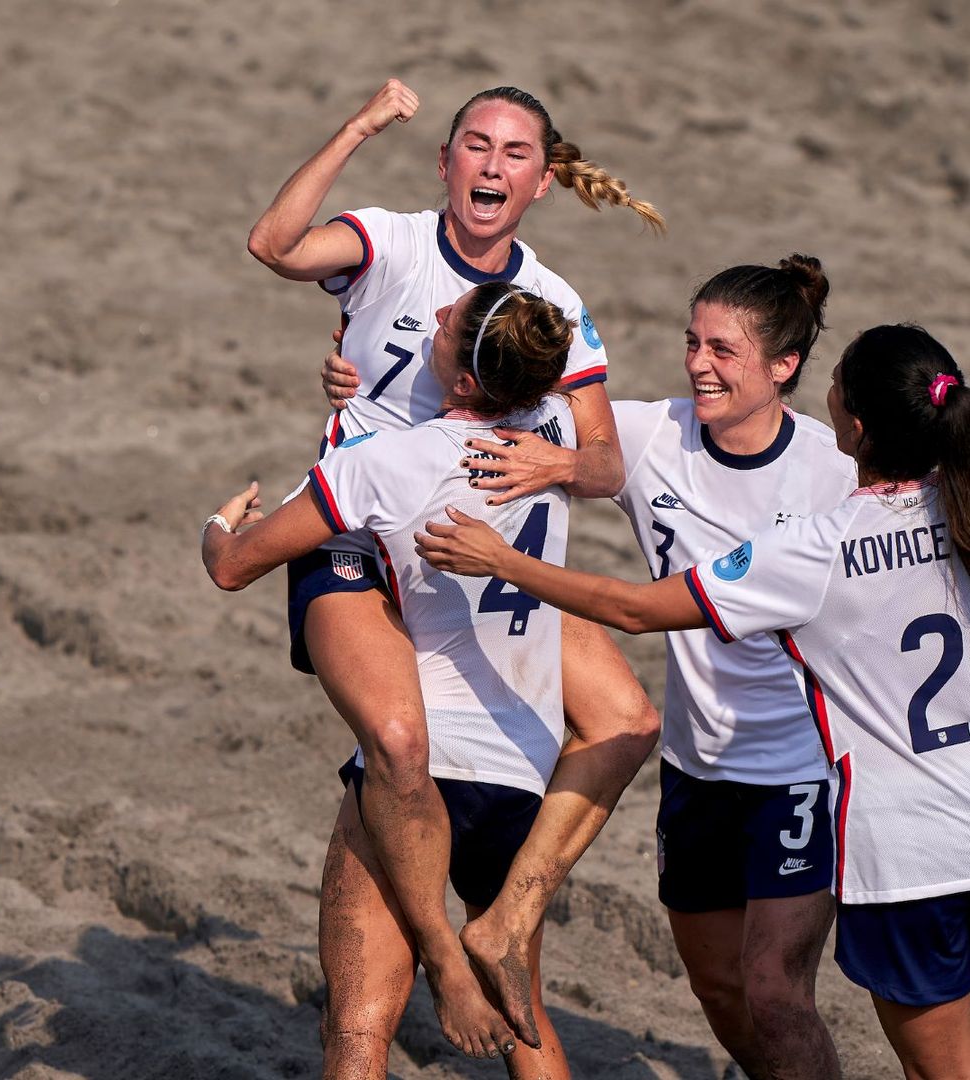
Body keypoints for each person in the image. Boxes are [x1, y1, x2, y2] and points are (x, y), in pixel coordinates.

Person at [415, 323, 970, 1080]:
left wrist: (503, 562)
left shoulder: (819, 547)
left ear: (857, 427)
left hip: (910, 859)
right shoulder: (963, 513)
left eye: (835, 383)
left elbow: (636, 608)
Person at [248, 77, 661, 1048]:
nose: (491, 164)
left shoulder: (556, 302)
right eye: (474, 144)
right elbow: (273, 247)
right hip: (360, 536)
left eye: (515, 153)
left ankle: (505, 915)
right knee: (399, 743)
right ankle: (455, 946)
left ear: (542, 182)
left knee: (625, 714)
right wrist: (356, 125)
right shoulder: (389, 243)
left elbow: (602, 463)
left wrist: (553, 459)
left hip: (465, 558)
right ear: (445, 163)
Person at [204, 283, 581, 1076]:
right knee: (529, 1023)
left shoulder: (394, 461)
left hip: (424, 771)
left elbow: (238, 567)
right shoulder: (556, 432)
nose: (437, 316)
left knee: (358, 1026)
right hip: (524, 763)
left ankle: (445, 967)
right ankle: (462, 963)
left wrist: (218, 528)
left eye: (451, 323)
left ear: (468, 382)